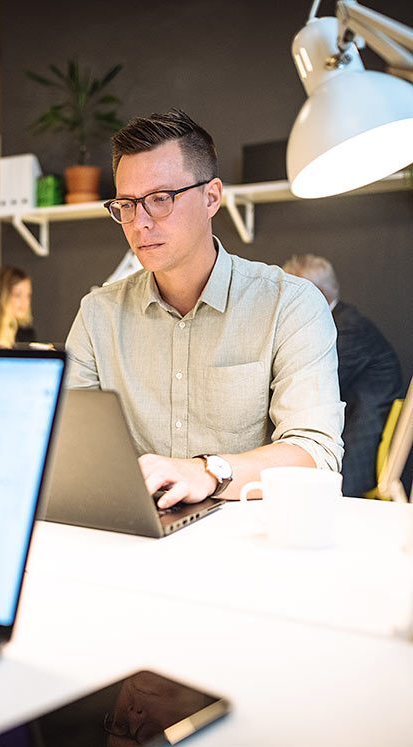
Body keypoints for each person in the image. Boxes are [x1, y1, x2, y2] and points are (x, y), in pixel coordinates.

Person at [66, 110, 343, 507]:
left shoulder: (290, 304)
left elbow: (317, 454)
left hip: (250, 541)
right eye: (127, 204)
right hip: (138, 533)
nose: (139, 222)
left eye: (160, 199)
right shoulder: (98, 315)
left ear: (211, 197)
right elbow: (71, 447)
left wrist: (208, 470)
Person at [283, 253, 403, 497]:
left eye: (288, 293)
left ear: (315, 294)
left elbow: (309, 390)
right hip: (350, 432)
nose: (281, 302)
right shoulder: (340, 321)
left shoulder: (347, 330)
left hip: (359, 444)